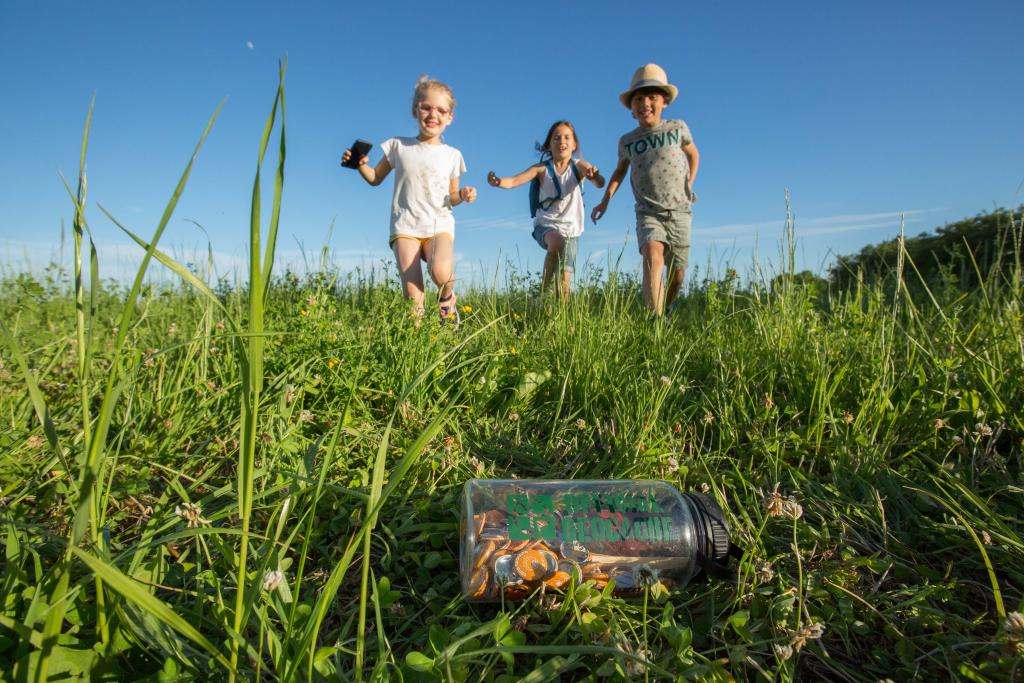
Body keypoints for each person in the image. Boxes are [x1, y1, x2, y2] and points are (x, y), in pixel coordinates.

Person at [342, 76, 476, 323]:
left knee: (441, 272)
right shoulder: (398, 146)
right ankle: (418, 339)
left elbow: (452, 195)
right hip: (405, 226)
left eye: (441, 110)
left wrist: (464, 194)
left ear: (450, 117)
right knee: (413, 298)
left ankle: (447, 301)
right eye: (426, 108)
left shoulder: (452, 155)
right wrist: (360, 165)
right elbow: (375, 178)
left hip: (439, 225)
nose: (433, 115)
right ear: (415, 110)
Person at [591, 64, 700, 316]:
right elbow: (619, 171)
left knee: (677, 275)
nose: (645, 104)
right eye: (638, 99)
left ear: (664, 101)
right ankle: (654, 323)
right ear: (631, 108)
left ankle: (667, 306)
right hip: (648, 211)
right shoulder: (628, 141)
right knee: (653, 254)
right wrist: (605, 201)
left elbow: (693, 155)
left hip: (680, 210)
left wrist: (690, 183)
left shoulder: (677, 128)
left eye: (652, 97)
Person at [487, 121, 604, 301]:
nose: (561, 141)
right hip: (546, 224)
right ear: (549, 145)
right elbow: (514, 181)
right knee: (556, 242)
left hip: (571, 230)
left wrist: (594, 176)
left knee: (564, 285)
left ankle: (560, 314)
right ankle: (543, 294)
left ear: (574, 145)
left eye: (567, 137)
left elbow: (599, 182)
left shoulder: (579, 165)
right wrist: (498, 182)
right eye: (556, 138)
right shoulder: (541, 169)